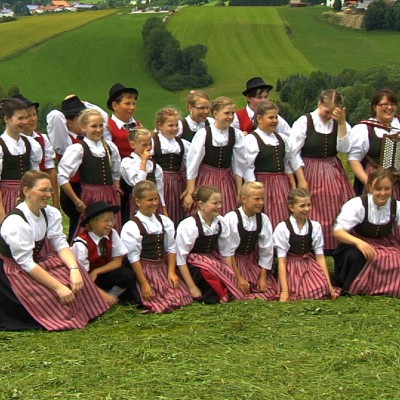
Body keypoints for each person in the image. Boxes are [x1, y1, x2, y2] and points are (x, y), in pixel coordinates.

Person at [0, 170, 109, 331]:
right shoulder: (16, 223)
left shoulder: (50, 213)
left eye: (50, 190)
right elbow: (26, 263)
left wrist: (74, 269)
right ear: (26, 191)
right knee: (51, 293)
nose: (48, 194)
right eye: (42, 190)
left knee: (72, 275)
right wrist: (58, 287)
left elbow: (60, 244)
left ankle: (81, 306)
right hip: (12, 270)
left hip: (36, 262)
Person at [291, 89, 354, 253]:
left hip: (333, 172)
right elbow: (293, 153)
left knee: (336, 211)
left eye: (333, 112)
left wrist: (341, 123)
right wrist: (301, 179)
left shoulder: (340, 124)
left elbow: (344, 148)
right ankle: (313, 253)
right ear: (319, 103)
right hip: (309, 171)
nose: (328, 116)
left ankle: (336, 251)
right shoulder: (304, 122)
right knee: (311, 212)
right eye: (326, 111)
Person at [121, 180, 192, 313]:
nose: (154, 203)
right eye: (149, 200)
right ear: (138, 202)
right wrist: (144, 283)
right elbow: (133, 258)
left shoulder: (164, 221)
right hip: (144, 269)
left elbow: (171, 248)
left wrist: (171, 271)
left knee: (180, 297)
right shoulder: (131, 227)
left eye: (156, 199)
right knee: (156, 299)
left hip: (162, 267)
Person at [333, 168, 400, 297]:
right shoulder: (358, 204)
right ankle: (358, 287)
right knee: (360, 257)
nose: (383, 193)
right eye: (378, 189)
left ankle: (388, 288)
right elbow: (338, 232)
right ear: (370, 188)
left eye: (387, 189)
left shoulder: (395, 206)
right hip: (356, 242)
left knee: (395, 259)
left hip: (385, 243)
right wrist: (359, 243)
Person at [58, 109, 122, 236]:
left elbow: (115, 173)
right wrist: (77, 201)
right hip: (90, 197)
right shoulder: (78, 149)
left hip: (109, 197)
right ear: (83, 128)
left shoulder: (110, 147)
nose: (98, 129)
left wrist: (116, 193)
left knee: (110, 231)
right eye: (93, 126)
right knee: (89, 232)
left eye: (100, 125)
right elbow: (62, 177)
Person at [176, 185, 244, 304]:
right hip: (193, 263)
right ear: (201, 204)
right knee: (207, 275)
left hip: (212, 259)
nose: (219, 206)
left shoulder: (221, 222)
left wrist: (228, 272)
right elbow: (181, 258)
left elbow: (225, 252)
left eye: (220, 203)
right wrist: (192, 287)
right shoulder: (189, 225)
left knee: (222, 274)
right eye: (215, 203)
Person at [244, 101, 306, 229]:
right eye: (271, 117)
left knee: (284, 215)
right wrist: (254, 190)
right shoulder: (251, 140)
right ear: (259, 118)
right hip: (263, 184)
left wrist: (293, 186)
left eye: (276, 117)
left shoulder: (282, 139)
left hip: (282, 184)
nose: (274, 121)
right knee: (267, 216)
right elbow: (248, 168)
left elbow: (287, 164)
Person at [183, 96, 246, 215]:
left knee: (227, 211)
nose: (230, 117)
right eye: (227, 113)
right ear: (216, 114)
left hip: (226, 179)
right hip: (206, 177)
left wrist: (239, 191)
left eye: (233, 113)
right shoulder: (204, 133)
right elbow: (193, 164)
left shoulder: (236, 134)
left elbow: (239, 165)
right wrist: (191, 191)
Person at [273, 188, 337, 302]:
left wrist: (329, 284)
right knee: (299, 291)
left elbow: (320, 257)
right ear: (291, 207)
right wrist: (284, 291)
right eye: (302, 206)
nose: (306, 209)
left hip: (308, 264)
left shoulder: (315, 226)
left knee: (322, 287)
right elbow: (282, 261)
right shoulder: (283, 228)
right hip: (291, 266)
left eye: (309, 205)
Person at [71, 201, 138, 307]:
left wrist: (97, 271)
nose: (110, 224)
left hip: (100, 275)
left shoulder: (112, 233)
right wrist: (102, 294)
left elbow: (118, 260)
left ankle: (112, 295)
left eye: (112, 220)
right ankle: (101, 297)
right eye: (106, 220)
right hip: (86, 280)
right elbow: (82, 276)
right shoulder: (81, 244)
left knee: (127, 274)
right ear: (92, 223)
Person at [224, 181, 279, 300]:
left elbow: (266, 250)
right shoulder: (232, 218)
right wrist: (238, 277)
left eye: (262, 199)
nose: (261, 203)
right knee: (236, 290)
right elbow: (228, 251)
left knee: (269, 290)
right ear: (244, 199)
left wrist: (263, 277)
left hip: (250, 261)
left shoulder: (263, 219)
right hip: (234, 262)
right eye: (257, 199)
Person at [47, 95, 86, 242]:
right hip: (72, 188)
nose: (85, 122)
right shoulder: (65, 141)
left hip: (85, 187)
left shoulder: (88, 138)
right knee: (77, 225)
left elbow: (102, 115)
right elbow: (55, 116)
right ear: (68, 123)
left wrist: (83, 101)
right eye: (80, 119)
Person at [347, 88, 400, 196]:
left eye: (392, 104)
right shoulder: (363, 129)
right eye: (384, 104)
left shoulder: (398, 125)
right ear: (375, 107)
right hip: (375, 181)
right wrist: (368, 182)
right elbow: (353, 159)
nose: (389, 107)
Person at [13, 93, 59, 210]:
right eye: (28, 116)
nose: (33, 119)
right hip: (15, 193)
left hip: (39, 193)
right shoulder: (10, 142)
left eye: (34, 114)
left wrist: (55, 202)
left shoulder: (42, 138)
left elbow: (51, 170)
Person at [0, 97, 43, 223]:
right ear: (7, 119)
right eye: (20, 118)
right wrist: (2, 213)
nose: (24, 122)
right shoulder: (1, 146)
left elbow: (36, 176)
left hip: (28, 196)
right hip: (6, 197)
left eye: (26, 117)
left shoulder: (30, 143)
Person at [152, 107, 190, 226]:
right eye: (170, 125)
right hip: (158, 182)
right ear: (160, 125)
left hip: (178, 184)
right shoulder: (153, 142)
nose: (174, 128)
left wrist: (189, 187)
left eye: (176, 125)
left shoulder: (182, 144)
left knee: (176, 212)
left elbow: (191, 164)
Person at [120, 127, 166, 221]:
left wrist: (163, 207)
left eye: (150, 144)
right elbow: (138, 184)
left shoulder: (154, 165)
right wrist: (144, 162)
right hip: (135, 204)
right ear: (133, 145)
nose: (148, 147)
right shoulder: (128, 162)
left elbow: (159, 189)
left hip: (154, 203)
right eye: (144, 145)